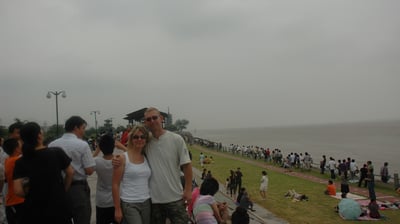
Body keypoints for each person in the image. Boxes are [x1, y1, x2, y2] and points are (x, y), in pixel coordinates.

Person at [114, 107, 192, 224]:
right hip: (154, 201)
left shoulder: (176, 139)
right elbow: (133, 151)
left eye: (155, 117)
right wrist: (118, 158)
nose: (152, 121)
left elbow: (186, 165)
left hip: (175, 197)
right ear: (145, 122)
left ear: (161, 118)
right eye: (148, 119)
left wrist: (188, 189)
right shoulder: (147, 142)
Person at [13, 122, 74, 223]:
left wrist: (33, 195)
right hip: (59, 208)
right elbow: (70, 173)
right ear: (39, 135)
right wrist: (63, 189)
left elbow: (18, 191)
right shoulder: (56, 152)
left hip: (34, 211)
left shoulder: (21, 161)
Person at [48, 116, 96, 224]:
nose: (84, 131)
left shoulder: (52, 144)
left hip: (59, 188)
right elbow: (89, 170)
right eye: (83, 128)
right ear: (76, 128)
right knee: (82, 219)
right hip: (77, 189)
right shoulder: (82, 145)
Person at [112, 125, 152, 224]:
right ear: (131, 139)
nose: (139, 139)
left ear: (146, 139)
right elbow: (115, 184)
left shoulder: (146, 156)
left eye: (142, 137)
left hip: (146, 201)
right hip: (129, 203)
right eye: (136, 137)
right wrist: (117, 209)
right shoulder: (122, 158)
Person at [93, 134, 116, 224]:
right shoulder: (119, 160)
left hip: (101, 201)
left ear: (101, 147)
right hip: (117, 199)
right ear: (113, 146)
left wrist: (97, 149)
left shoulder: (96, 161)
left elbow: (89, 164)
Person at [2, 138, 24, 224]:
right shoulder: (16, 160)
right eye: (20, 144)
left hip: (13, 201)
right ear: (16, 148)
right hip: (17, 201)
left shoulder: (8, 160)